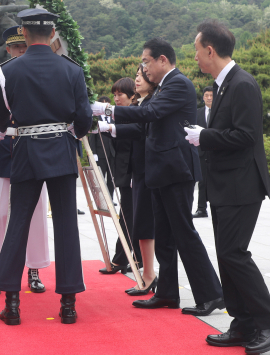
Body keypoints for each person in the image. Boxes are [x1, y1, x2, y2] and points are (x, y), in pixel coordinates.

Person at [92, 38, 225, 315]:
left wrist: (106, 110)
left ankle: (211, 294)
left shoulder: (177, 83)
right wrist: (110, 129)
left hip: (176, 169)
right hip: (162, 170)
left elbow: (149, 113)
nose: (144, 68)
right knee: (163, 234)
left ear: (162, 60)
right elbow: (144, 128)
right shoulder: (164, 87)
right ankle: (167, 293)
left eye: (146, 62)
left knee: (183, 232)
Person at [186, 20, 270, 355]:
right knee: (227, 256)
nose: (197, 57)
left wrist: (205, 136)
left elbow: (247, 136)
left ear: (210, 50)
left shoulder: (242, 84)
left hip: (241, 184)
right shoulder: (224, 84)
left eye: (198, 50)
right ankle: (243, 322)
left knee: (235, 255)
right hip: (224, 183)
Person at [0, 9, 92, 325]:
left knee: (18, 224)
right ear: (53, 33)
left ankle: (13, 303)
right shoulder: (72, 70)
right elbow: (84, 120)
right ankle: (69, 305)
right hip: (61, 150)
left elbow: (0, 117)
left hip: (26, 152)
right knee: (66, 225)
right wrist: (65, 131)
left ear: (24, 31)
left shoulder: (7, 71)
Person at [0, 25, 50, 296]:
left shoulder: (41, 71)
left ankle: (33, 269)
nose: (22, 50)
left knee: (36, 216)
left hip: (36, 153)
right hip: (7, 152)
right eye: (17, 47)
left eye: (25, 45)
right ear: (8, 49)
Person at [99, 65, 158, 295]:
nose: (138, 80)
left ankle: (130, 261)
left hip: (140, 171)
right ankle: (133, 262)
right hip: (129, 170)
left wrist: (111, 124)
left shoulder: (145, 107)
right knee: (132, 217)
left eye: (119, 94)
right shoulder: (136, 107)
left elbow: (136, 133)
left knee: (135, 218)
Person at [96, 78, 141, 275]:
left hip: (134, 172)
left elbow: (133, 143)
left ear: (132, 96)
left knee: (129, 216)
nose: (116, 99)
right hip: (123, 170)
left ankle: (121, 259)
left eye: (120, 95)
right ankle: (136, 257)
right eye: (114, 95)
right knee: (132, 215)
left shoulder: (137, 115)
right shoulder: (119, 116)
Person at [86, 95, 116, 203]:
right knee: (101, 178)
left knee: (112, 179)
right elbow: (92, 137)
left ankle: (110, 199)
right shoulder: (96, 119)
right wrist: (94, 153)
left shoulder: (113, 118)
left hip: (112, 153)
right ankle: (101, 200)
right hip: (100, 153)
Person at [193, 86, 213, 218]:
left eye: (211, 95)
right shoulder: (197, 113)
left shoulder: (221, 112)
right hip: (201, 152)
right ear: (203, 97)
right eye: (207, 95)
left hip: (217, 151)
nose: (209, 98)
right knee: (202, 181)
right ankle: (201, 208)